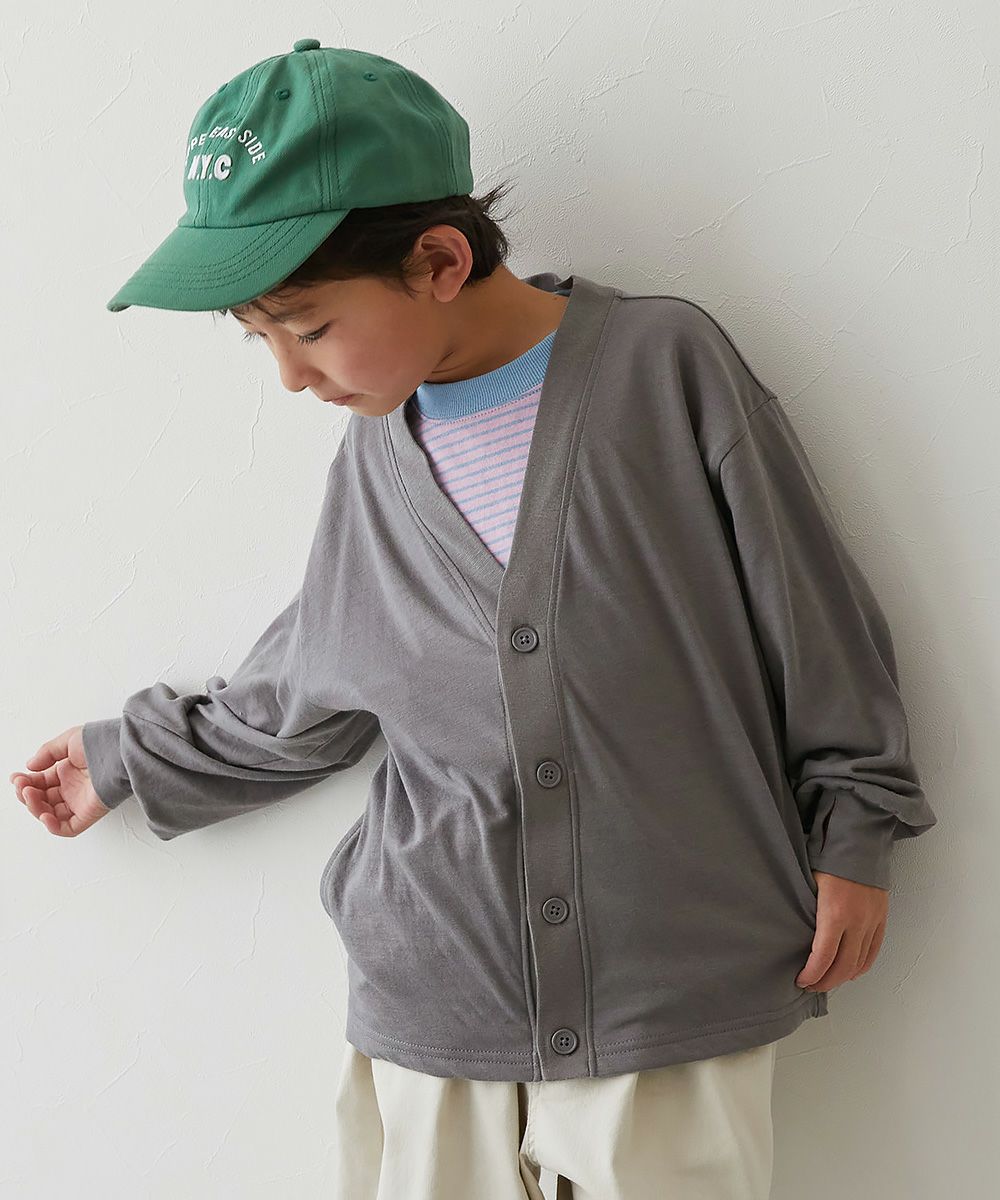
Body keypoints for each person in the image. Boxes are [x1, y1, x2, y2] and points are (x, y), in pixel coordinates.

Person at [10, 40, 937, 1199]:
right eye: (259, 338)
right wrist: (127, 756)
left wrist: (854, 828)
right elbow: (307, 690)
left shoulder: (663, 366)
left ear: (439, 261)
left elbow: (809, 614)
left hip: (672, 968)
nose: (289, 376)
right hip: (436, 989)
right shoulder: (372, 462)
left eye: (307, 327)